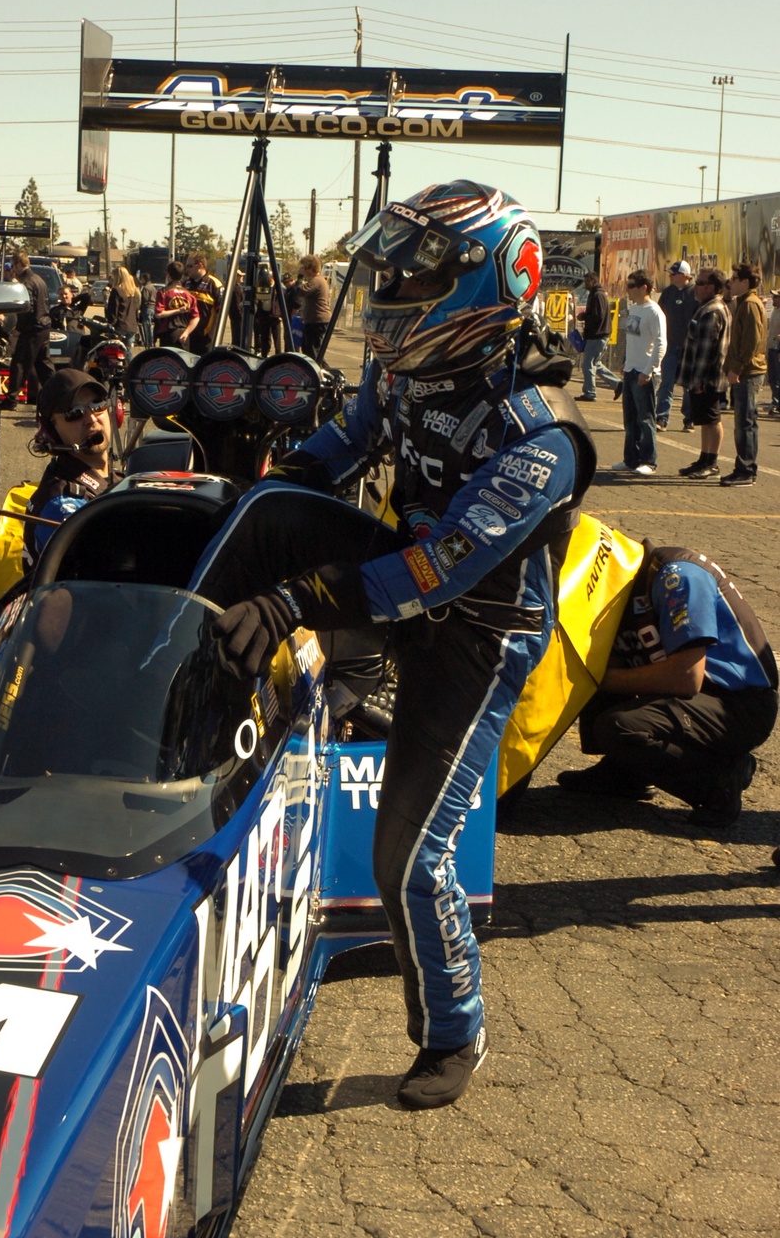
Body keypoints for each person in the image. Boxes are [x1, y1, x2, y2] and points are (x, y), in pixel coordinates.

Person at [191, 180, 596, 1110]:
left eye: (410, 282)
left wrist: (299, 597)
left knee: (408, 859)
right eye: (386, 278)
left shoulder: (544, 441)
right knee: (268, 506)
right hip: (396, 579)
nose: (387, 301)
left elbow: (437, 574)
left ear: (485, 282)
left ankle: (455, 1031)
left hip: (476, 639)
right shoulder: (405, 368)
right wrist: (278, 477)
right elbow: (349, 438)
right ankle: (178, 696)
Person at [557, 544, 777, 827]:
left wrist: (603, 679)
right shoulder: (626, 582)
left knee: (619, 723)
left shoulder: (678, 577)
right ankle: (624, 773)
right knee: (591, 657)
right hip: (700, 691)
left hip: (738, 705)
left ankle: (717, 783)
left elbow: (686, 678)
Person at [23, 368, 118, 568]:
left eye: (97, 405)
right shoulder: (61, 505)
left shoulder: (115, 476)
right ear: (52, 432)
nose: (91, 419)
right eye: (75, 414)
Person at [677, 267, 731, 480]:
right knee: (704, 419)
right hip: (702, 377)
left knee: (711, 419)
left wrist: (698, 379)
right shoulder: (706, 307)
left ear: (711, 287)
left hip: (708, 378)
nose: (695, 287)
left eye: (699, 283)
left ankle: (712, 462)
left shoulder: (712, 311)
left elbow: (706, 350)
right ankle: (704, 458)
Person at [611, 269, 666, 477]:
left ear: (644, 287)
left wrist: (649, 370)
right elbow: (632, 339)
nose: (628, 289)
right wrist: (626, 362)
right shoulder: (635, 308)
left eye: (632, 285)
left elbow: (661, 344)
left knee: (645, 418)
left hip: (645, 372)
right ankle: (630, 459)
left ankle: (649, 461)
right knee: (630, 419)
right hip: (631, 370)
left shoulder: (654, 312)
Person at [721, 261, 768, 487]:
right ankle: (743, 467)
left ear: (746, 282)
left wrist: (737, 368)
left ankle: (746, 469)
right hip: (743, 370)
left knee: (745, 422)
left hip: (748, 372)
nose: (731, 283)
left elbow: (751, 341)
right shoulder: (742, 303)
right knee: (744, 421)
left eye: (735, 279)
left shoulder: (750, 304)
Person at [0, 251, 53, 410]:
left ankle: (11, 399)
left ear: (18, 264)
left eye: (13, 265)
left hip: (32, 328)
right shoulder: (39, 280)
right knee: (44, 364)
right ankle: (56, 393)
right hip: (44, 326)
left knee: (20, 363)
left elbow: (27, 308)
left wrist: (19, 329)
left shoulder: (27, 283)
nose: (13, 270)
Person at [656, 260, 697, 431]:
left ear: (684, 275)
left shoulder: (695, 293)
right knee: (666, 383)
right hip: (670, 346)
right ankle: (662, 418)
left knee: (688, 386)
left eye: (674, 274)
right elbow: (659, 314)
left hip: (689, 348)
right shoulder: (667, 293)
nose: (670, 276)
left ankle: (689, 419)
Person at [574, 270, 611, 403]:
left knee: (588, 364)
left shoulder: (598, 295)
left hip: (598, 335)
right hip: (595, 335)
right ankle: (618, 385)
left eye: (587, 281)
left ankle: (590, 393)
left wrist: (584, 317)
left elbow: (598, 316)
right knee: (596, 364)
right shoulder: (594, 294)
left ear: (593, 281)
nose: (585, 284)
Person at [183, 253, 223, 354]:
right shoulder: (185, 284)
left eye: (190, 266)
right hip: (187, 336)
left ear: (200, 265)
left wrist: (212, 335)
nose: (187, 269)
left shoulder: (214, 284)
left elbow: (221, 312)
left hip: (205, 339)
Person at [154, 261, 199, 348]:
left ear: (168, 275)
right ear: (182, 276)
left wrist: (177, 310)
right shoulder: (189, 295)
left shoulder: (163, 292)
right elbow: (196, 317)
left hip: (168, 334)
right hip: (184, 334)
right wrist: (186, 333)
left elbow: (158, 314)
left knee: (169, 360)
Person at [297, 253, 332, 361]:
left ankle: (321, 373)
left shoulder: (316, 281)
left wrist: (300, 277)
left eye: (304, 267)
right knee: (308, 349)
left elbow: (300, 291)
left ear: (311, 268)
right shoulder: (318, 280)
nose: (303, 270)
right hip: (314, 320)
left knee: (313, 350)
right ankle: (322, 370)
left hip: (317, 320)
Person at [105, 264, 140, 354]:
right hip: (132, 325)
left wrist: (110, 325)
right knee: (127, 352)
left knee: (114, 352)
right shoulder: (134, 291)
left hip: (119, 326)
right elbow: (136, 310)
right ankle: (131, 367)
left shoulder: (116, 290)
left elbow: (113, 310)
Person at [254, 266, 282, 357]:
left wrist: (280, 314)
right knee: (264, 337)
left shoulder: (278, 288)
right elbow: (257, 302)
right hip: (264, 315)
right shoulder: (261, 286)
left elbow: (282, 302)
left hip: (275, 316)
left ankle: (278, 355)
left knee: (276, 338)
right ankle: (264, 355)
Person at [765, 285, 780, 414]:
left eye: (776, 297)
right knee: (773, 377)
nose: (773, 299)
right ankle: (776, 401)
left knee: (777, 377)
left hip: (778, 349)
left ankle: (776, 402)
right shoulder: (774, 311)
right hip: (771, 347)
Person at [138, 271, 157, 349]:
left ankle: (148, 345)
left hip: (147, 309)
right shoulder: (153, 287)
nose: (140, 281)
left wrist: (140, 307)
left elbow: (145, 299)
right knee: (151, 327)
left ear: (144, 279)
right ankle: (152, 342)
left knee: (147, 328)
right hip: (153, 308)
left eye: (141, 279)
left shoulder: (146, 288)